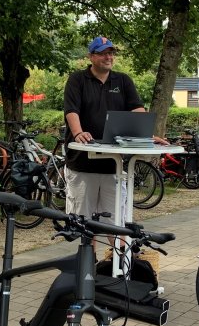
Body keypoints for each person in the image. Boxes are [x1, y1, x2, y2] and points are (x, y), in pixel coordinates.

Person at [63, 36, 147, 227]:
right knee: (84, 224)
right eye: (103, 53)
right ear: (91, 56)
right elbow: (71, 111)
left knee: (117, 223)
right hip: (82, 164)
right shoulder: (77, 80)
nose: (108, 57)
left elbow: (137, 109)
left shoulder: (123, 81)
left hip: (113, 165)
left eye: (110, 53)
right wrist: (78, 133)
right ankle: (89, 257)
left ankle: (120, 257)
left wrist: (146, 134)